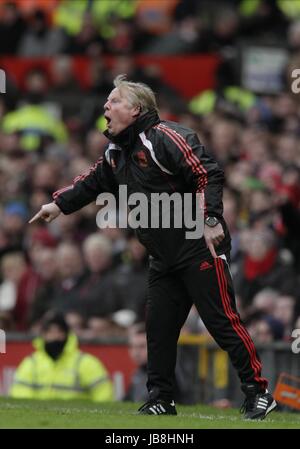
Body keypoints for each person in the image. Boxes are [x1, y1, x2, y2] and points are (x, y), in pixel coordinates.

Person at [30, 74, 277, 419]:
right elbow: (92, 181)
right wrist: (59, 204)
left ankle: (259, 392)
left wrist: (209, 220)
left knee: (221, 322)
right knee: (158, 331)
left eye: (114, 100)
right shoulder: (117, 152)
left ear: (135, 109)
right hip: (162, 256)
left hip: (197, 245)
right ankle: (161, 398)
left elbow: (208, 174)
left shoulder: (166, 138)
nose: (105, 106)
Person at [10, 310, 114, 402]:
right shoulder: (31, 363)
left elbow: (104, 397)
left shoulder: (86, 363)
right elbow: (20, 396)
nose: (55, 336)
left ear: (67, 334)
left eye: (59, 332)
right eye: (50, 332)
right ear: (43, 335)